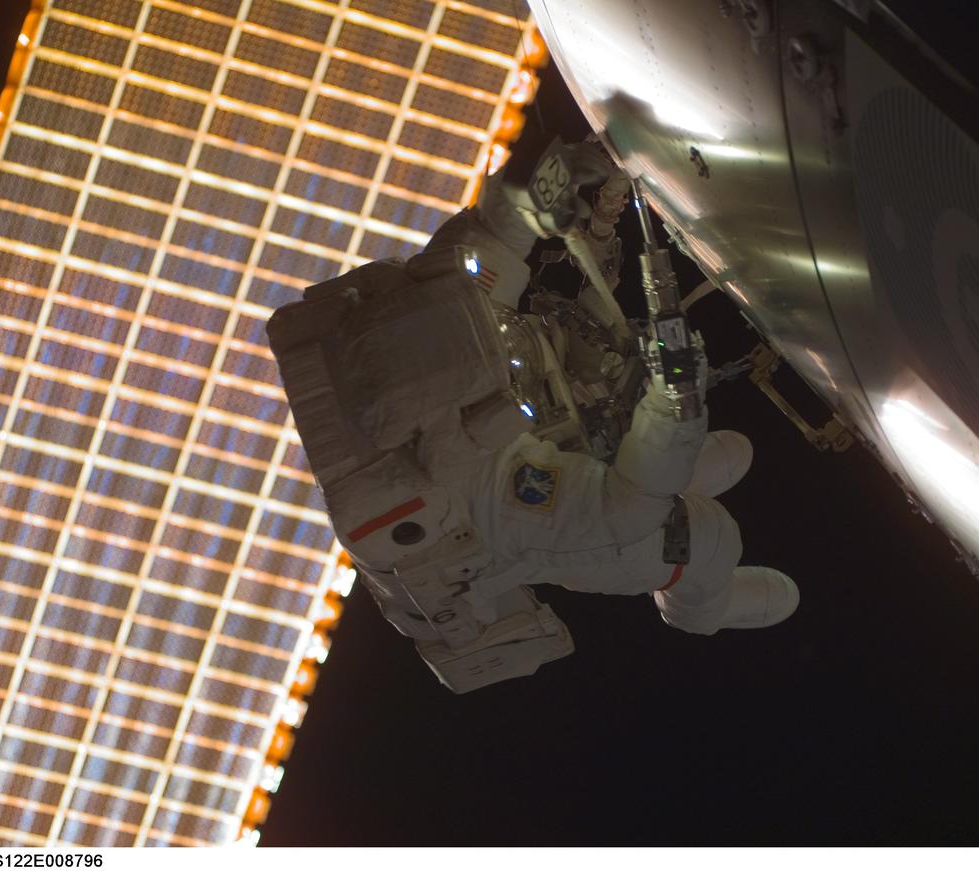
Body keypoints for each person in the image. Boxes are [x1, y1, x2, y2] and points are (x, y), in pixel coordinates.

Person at [267, 135, 798, 692]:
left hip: (494, 446)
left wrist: (560, 182)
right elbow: (628, 511)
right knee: (708, 536)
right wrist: (675, 402)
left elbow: (496, 236)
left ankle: (677, 463)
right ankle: (699, 611)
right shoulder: (499, 488)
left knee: (716, 456)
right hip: (491, 529)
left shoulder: (442, 306)